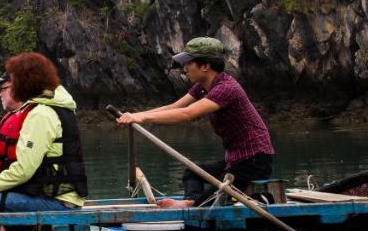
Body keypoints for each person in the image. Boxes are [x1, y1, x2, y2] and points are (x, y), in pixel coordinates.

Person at [115, 36, 273, 207]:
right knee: (192, 173)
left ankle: (194, 205)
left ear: (205, 66)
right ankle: (193, 203)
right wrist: (135, 115)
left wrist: (142, 117)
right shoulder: (202, 87)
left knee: (216, 197)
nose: (184, 69)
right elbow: (174, 107)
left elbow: (187, 114)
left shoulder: (226, 88)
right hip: (234, 160)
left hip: (255, 160)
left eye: (188, 64)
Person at [0, 52, 87, 222]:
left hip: (57, 203)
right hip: (64, 199)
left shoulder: (41, 114)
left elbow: (24, 169)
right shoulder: (60, 107)